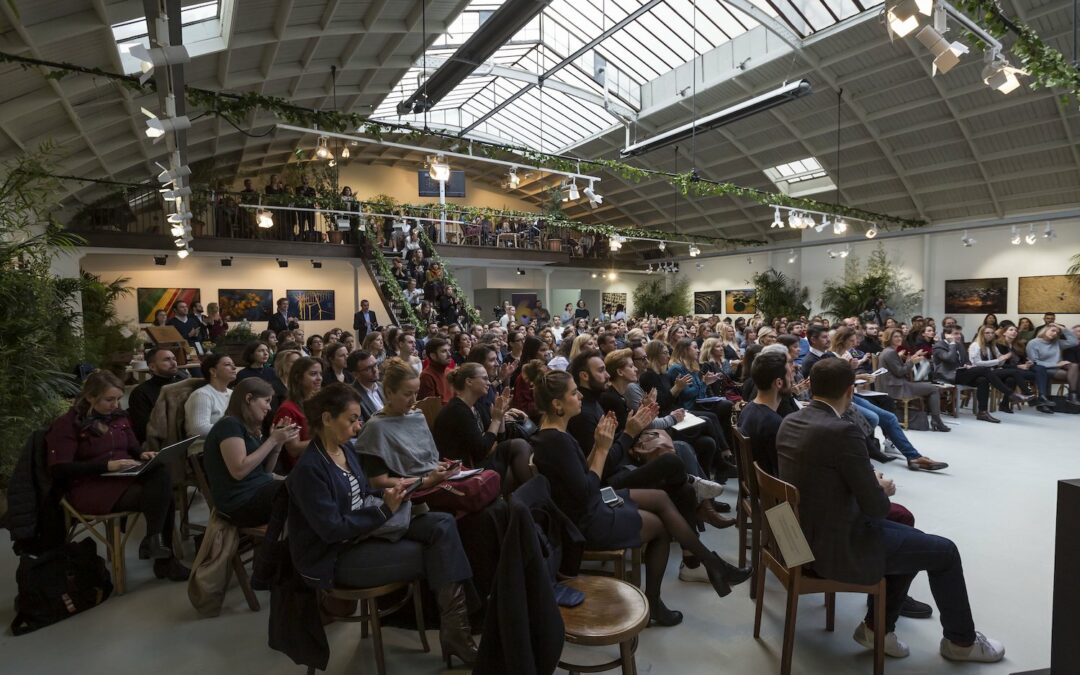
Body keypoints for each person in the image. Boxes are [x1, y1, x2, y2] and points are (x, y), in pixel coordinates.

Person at [777, 358, 1005, 663]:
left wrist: (863, 482)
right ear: (850, 390)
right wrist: (881, 487)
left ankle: (877, 628)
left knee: (912, 539)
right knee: (945, 552)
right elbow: (875, 508)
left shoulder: (791, 420)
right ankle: (960, 643)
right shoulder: (842, 431)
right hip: (835, 545)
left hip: (797, 535)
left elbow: (820, 475)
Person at [530, 369, 751, 628]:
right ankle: (662, 597)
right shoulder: (556, 441)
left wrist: (605, 443)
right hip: (586, 521)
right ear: (557, 404)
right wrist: (604, 447)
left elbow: (581, 476)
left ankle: (710, 563)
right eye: (573, 392)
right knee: (659, 527)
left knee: (660, 497)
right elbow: (587, 489)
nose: (579, 395)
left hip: (587, 505)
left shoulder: (552, 434)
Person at [287, 383, 477, 666]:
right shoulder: (309, 470)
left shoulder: (345, 451)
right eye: (351, 419)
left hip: (363, 531)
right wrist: (383, 510)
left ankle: (456, 631)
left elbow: (364, 494)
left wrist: (401, 491)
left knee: (443, 524)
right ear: (327, 419)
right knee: (437, 552)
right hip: (337, 555)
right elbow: (331, 530)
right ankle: (458, 633)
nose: (358, 425)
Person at [46, 371, 189, 581]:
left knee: (159, 473)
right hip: (90, 486)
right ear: (90, 398)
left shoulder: (118, 417)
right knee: (162, 493)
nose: (115, 405)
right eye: (109, 400)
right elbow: (60, 469)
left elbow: (131, 446)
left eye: (118, 399)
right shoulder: (68, 424)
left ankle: (155, 543)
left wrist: (142, 454)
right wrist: (106, 465)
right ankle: (164, 560)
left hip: (122, 477)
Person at [203, 378, 297, 527]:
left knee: (307, 486)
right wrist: (272, 440)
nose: (269, 408)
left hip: (255, 491)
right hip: (240, 502)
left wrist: (278, 444)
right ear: (249, 398)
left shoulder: (246, 429)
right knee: (301, 491)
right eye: (266, 401)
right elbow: (238, 471)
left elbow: (265, 471)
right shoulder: (229, 424)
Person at [434, 363, 534, 493]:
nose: (489, 382)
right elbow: (481, 450)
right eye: (484, 378)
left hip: (479, 461)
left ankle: (531, 497)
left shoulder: (476, 406)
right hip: (464, 471)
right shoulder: (457, 410)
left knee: (518, 448)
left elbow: (500, 438)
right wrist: (496, 420)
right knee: (518, 447)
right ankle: (534, 495)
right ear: (469, 381)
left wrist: (501, 415)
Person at [878, 328, 949, 432]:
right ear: (889, 339)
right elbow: (900, 372)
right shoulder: (890, 352)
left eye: (899, 336)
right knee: (934, 389)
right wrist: (912, 362)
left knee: (930, 386)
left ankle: (936, 420)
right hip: (896, 387)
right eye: (895, 337)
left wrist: (911, 359)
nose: (899, 338)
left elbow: (898, 369)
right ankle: (936, 421)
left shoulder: (889, 351)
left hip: (894, 385)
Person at [127, 346, 189, 444]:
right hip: (161, 444)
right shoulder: (141, 392)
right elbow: (143, 429)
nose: (173, 363)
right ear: (152, 367)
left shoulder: (184, 385)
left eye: (174, 359)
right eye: (167, 360)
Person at [272, 356, 323, 472]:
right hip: (304, 469)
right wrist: (327, 438)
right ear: (298, 378)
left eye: (320, 374)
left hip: (321, 460)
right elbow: (294, 449)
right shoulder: (288, 409)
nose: (319, 378)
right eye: (313, 374)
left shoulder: (319, 402)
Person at [1027, 323, 1080, 405]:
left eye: (1057, 332)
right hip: (1043, 369)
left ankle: (1072, 395)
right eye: (1053, 330)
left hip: (1057, 368)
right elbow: (1035, 362)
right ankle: (1072, 397)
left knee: (1075, 366)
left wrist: (1062, 328)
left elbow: (1074, 342)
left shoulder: (1057, 343)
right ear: (1045, 330)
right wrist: (1056, 364)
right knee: (1076, 375)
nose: (1055, 333)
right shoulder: (1033, 343)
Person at [185, 353, 236, 436]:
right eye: (227, 364)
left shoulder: (233, 393)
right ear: (213, 371)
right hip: (204, 446)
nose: (234, 368)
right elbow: (199, 429)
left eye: (233, 365)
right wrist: (237, 429)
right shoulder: (202, 395)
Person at [419, 337, 454, 404]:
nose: (449, 354)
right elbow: (430, 409)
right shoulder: (427, 376)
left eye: (449, 350)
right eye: (444, 351)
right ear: (433, 356)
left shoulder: (450, 372)